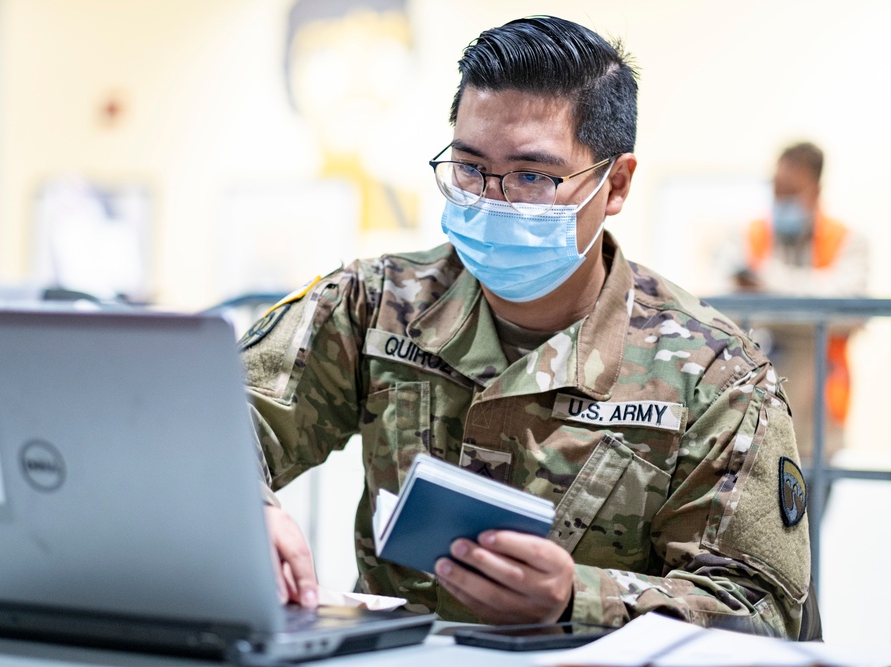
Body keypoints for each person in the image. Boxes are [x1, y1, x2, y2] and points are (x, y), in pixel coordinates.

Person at [242, 16, 812, 639]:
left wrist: (578, 598)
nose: (492, 199)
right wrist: (241, 502)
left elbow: (761, 611)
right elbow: (209, 419)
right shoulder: (374, 303)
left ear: (615, 183)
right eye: (469, 166)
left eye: (533, 176)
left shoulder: (713, 375)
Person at [725, 142, 868, 463]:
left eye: (791, 191)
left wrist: (765, 285)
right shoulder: (749, 236)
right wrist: (808, 308)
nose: (781, 200)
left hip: (817, 417)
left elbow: (848, 311)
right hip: (751, 415)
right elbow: (726, 312)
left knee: (812, 507)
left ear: (815, 190)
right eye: (777, 189)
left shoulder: (847, 241)